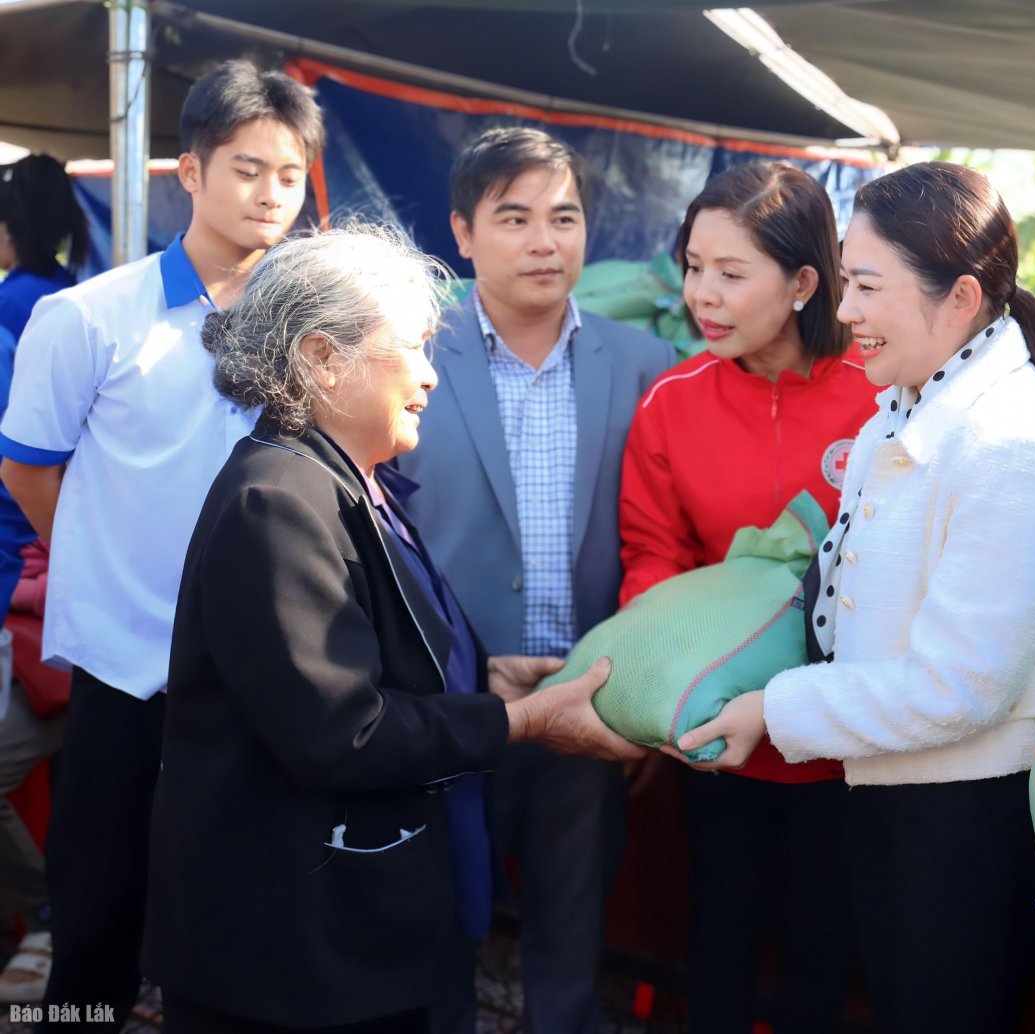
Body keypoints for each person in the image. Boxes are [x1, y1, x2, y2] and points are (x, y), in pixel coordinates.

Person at [140, 225, 644, 1034]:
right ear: (321, 358)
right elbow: (343, 729)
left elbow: (386, 658)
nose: (431, 377)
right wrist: (515, 721)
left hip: (354, 923)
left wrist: (485, 678)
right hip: (295, 952)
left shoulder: (348, 481)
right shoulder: (278, 501)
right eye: (411, 348)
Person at [669, 161, 1035, 1034]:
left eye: (864, 286)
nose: (845, 311)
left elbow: (959, 687)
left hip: (965, 809)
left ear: (961, 298)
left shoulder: (1014, 449)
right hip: (895, 785)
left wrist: (773, 709)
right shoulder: (907, 400)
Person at [0, 61, 324, 1030]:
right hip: (128, 664)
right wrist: (102, 563)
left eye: (290, 175)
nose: (270, 194)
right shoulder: (90, 317)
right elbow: (27, 468)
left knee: (241, 917)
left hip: (266, 671)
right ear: (189, 170)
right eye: (246, 168)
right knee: (96, 922)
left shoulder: (314, 325)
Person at [395, 126, 674, 1033]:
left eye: (564, 217)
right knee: (434, 922)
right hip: (447, 703)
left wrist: (633, 695)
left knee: (571, 925)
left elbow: (661, 541)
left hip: (585, 702)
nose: (545, 242)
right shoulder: (410, 355)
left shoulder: (644, 365)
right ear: (463, 233)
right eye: (514, 218)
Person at [618, 161, 878, 1034]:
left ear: (806, 282)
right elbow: (655, 552)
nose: (703, 294)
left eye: (732, 274)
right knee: (717, 935)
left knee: (825, 946)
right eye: (694, 266)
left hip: (852, 737)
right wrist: (675, 682)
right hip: (719, 736)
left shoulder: (883, 397)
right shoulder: (672, 401)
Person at [0, 153, 88, 1004]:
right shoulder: (78, 297)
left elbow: (23, 477)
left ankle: (60, 918)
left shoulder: (15, 312)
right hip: (49, 583)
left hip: (33, 592)